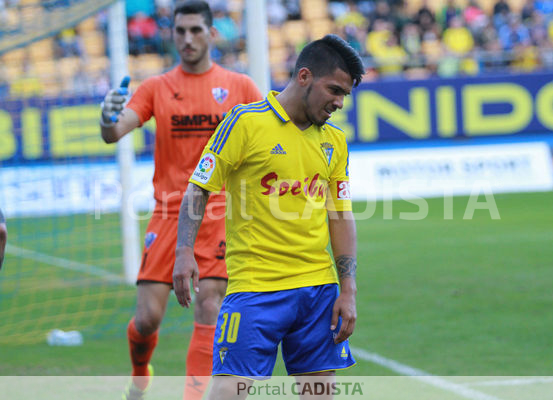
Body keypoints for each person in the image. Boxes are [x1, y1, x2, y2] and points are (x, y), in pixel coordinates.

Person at [173, 34, 365, 400]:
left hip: (318, 290)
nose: (339, 102)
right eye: (335, 90)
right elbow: (199, 188)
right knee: (229, 390)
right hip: (255, 288)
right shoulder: (245, 123)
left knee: (321, 394)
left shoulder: (335, 142)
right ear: (305, 76)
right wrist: (184, 252)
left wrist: (348, 289)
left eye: (345, 95)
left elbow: (340, 215)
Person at [98, 1, 262, 399]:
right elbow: (114, 132)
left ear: (211, 33)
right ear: (172, 34)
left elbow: (266, 135)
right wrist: (107, 117)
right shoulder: (157, 87)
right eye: (180, 31)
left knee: (210, 306)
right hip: (169, 213)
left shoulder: (239, 86)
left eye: (195, 30)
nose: (187, 39)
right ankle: (140, 373)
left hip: (218, 215)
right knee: (148, 318)